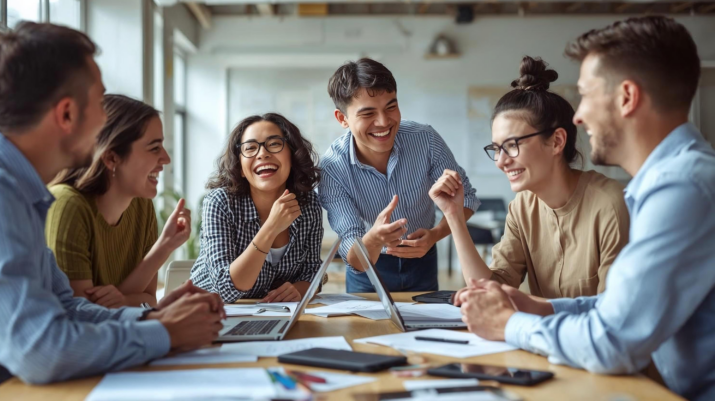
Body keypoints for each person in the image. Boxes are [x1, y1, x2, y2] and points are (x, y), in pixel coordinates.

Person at [0, 22, 224, 401]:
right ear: (66, 114)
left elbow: (66, 307)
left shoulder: (17, 190)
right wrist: (164, 333)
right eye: (99, 102)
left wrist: (151, 318)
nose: (103, 119)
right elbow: (39, 351)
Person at [457, 16, 715, 401]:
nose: (578, 115)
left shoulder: (681, 187)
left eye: (587, 94)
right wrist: (543, 308)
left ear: (627, 97)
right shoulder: (670, 180)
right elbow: (621, 309)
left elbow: (613, 341)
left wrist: (510, 324)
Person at [432, 56, 629, 300]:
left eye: (512, 145)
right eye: (496, 148)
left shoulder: (610, 204)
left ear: (556, 141)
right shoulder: (522, 208)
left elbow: (613, 315)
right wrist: (454, 215)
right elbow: (491, 289)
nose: (501, 161)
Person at [318, 58, 479, 293]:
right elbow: (353, 256)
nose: (384, 122)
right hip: (368, 267)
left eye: (391, 107)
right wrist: (374, 237)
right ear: (343, 119)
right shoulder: (332, 168)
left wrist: (434, 235)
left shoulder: (425, 140)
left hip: (423, 259)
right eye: (368, 113)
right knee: (365, 330)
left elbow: (466, 199)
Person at [46, 94, 191, 308]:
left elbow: (148, 300)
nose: (166, 159)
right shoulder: (67, 205)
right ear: (112, 158)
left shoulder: (141, 205)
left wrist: (164, 246)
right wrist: (126, 302)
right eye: (154, 148)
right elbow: (81, 317)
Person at [191, 113, 324, 303]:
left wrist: (298, 290)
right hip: (211, 313)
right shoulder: (219, 203)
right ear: (240, 166)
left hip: (274, 313)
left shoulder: (308, 203)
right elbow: (225, 289)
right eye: (251, 148)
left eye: (275, 144)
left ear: (293, 155)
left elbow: (313, 271)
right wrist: (271, 227)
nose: (262, 153)